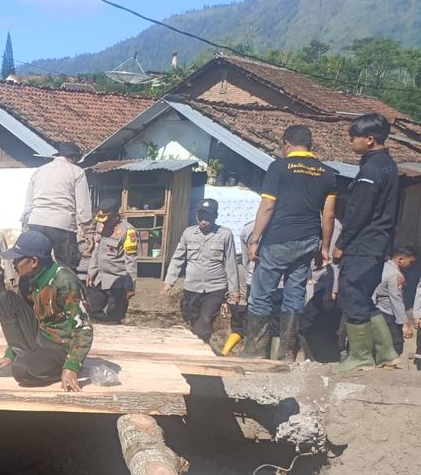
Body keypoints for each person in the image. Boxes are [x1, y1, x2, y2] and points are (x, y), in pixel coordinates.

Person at [242, 125, 338, 361]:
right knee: (295, 294)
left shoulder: (279, 167)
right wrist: (324, 247)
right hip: (308, 241)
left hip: (278, 240)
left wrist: (254, 240)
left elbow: (267, 205)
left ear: (286, 143)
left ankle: (257, 351)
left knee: (262, 293)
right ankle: (287, 353)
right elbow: (329, 215)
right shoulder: (328, 173)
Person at [334, 113, 402, 372]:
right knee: (362, 297)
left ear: (370, 139)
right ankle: (386, 353)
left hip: (363, 242)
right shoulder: (388, 165)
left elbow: (359, 210)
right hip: (378, 242)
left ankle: (360, 356)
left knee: (352, 294)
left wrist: (342, 241)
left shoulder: (371, 169)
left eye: (354, 138)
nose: (350, 143)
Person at [0, 232, 93, 391]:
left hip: (61, 348)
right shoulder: (27, 280)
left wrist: (72, 365)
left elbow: (84, 328)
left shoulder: (64, 281)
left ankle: (53, 367)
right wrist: (11, 354)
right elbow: (22, 318)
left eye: (17, 259)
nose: (13, 263)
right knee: (4, 299)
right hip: (40, 336)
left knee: (22, 370)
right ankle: (21, 355)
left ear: (34, 261)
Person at [162, 199, 241, 344]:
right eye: (200, 217)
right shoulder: (188, 233)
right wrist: (169, 281)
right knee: (192, 318)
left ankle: (202, 343)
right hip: (192, 287)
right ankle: (203, 341)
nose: (203, 221)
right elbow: (177, 258)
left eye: (208, 218)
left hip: (215, 287)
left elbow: (230, 263)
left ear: (215, 216)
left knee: (206, 317)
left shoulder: (224, 234)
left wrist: (234, 289)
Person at [21, 141, 93, 270]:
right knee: (66, 266)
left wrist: (25, 223)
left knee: (36, 265)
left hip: (36, 222)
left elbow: (28, 204)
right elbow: (83, 207)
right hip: (62, 224)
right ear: (74, 158)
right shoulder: (77, 171)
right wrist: (88, 231)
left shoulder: (39, 171)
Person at [86, 200, 138, 323]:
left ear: (115, 216)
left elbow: (131, 260)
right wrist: (91, 272)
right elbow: (96, 251)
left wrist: (130, 285)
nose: (103, 223)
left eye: (106, 220)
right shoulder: (100, 226)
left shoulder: (128, 231)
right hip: (100, 279)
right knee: (90, 310)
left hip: (118, 282)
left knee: (114, 318)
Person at [372, 246, 416, 356]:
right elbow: (397, 301)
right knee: (397, 345)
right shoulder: (395, 275)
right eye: (410, 262)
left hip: (377, 309)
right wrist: (404, 324)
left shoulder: (384, 266)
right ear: (401, 259)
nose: (411, 265)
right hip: (388, 313)